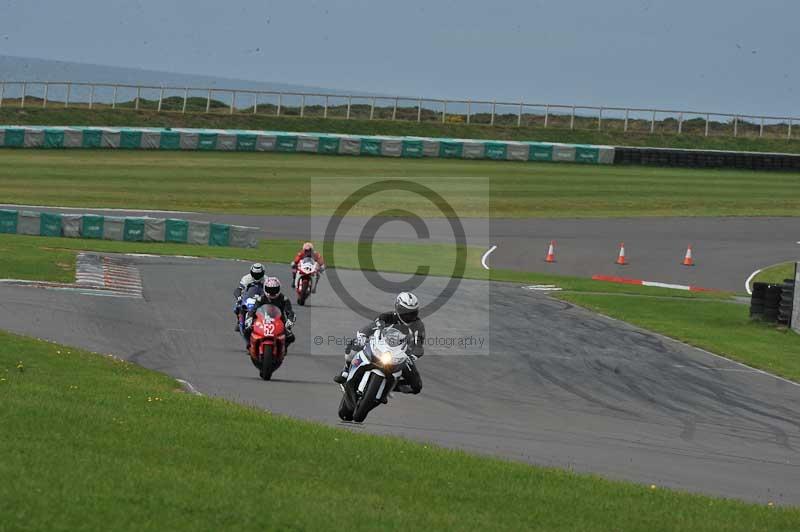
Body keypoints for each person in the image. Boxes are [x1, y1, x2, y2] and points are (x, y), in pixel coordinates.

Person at [334, 292, 424, 394]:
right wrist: (363, 336)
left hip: (401, 355)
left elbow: (419, 345)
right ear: (398, 308)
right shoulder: (387, 317)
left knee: (417, 386)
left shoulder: (418, 325)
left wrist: (412, 356)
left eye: (412, 312)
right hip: (380, 348)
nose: (409, 316)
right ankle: (346, 370)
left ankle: (387, 388)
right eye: (405, 312)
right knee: (354, 344)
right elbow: (371, 326)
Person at [245, 277, 296, 348]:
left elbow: (290, 312)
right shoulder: (260, 299)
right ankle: (250, 345)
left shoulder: (284, 299)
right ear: (265, 289)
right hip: (262, 321)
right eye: (270, 289)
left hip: (279, 322)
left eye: (274, 289)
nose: (272, 292)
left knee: (291, 337)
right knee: (247, 330)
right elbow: (253, 310)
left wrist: (290, 320)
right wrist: (250, 318)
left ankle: (283, 347)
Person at [233, 263, 266, 331]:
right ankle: (240, 321)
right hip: (248, 297)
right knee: (237, 306)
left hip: (261, 298)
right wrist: (239, 297)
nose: (257, 276)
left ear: (263, 273)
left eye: (259, 274)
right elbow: (239, 289)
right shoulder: (246, 278)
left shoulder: (266, 279)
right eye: (255, 274)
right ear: (251, 273)